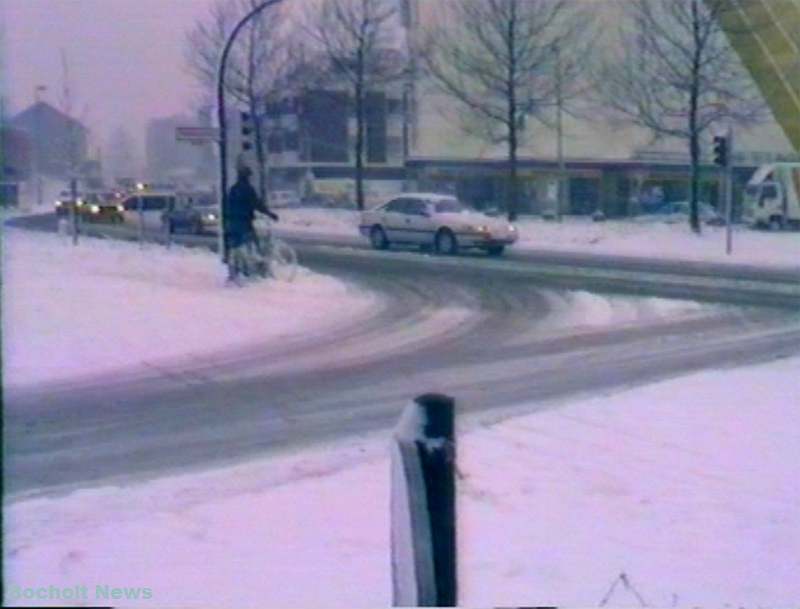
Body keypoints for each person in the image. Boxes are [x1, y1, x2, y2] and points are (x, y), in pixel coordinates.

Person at [225, 165, 279, 282]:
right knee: (253, 243)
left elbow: (228, 204)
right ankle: (254, 269)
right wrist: (270, 214)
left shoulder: (233, 189)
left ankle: (234, 272)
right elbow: (257, 204)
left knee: (236, 245)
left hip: (233, 221)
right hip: (244, 221)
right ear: (247, 177)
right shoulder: (248, 189)